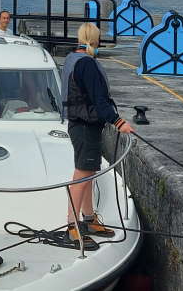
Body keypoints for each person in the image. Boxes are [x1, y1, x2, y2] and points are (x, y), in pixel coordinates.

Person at [63, 23, 133, 243]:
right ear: (96, 40)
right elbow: (100, 101)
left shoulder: (71, 59)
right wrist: (119, 121)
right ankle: (71, 226)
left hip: (78, 123)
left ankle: (89, 218)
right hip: (85, 125)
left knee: (88, 173)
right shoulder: (88, 65)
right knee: (82, 175)